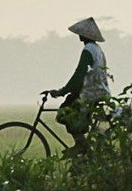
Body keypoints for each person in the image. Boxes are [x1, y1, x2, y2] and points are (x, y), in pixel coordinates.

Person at [45, 17, 110, 153]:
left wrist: (62, 91)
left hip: (91, 93)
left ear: (84, 35)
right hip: (100, 90)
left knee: (65, 112)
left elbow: (79, 74)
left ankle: (81, 145)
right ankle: (84, 147)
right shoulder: (98, 49)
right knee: (72, 104)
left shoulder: (88, 50)